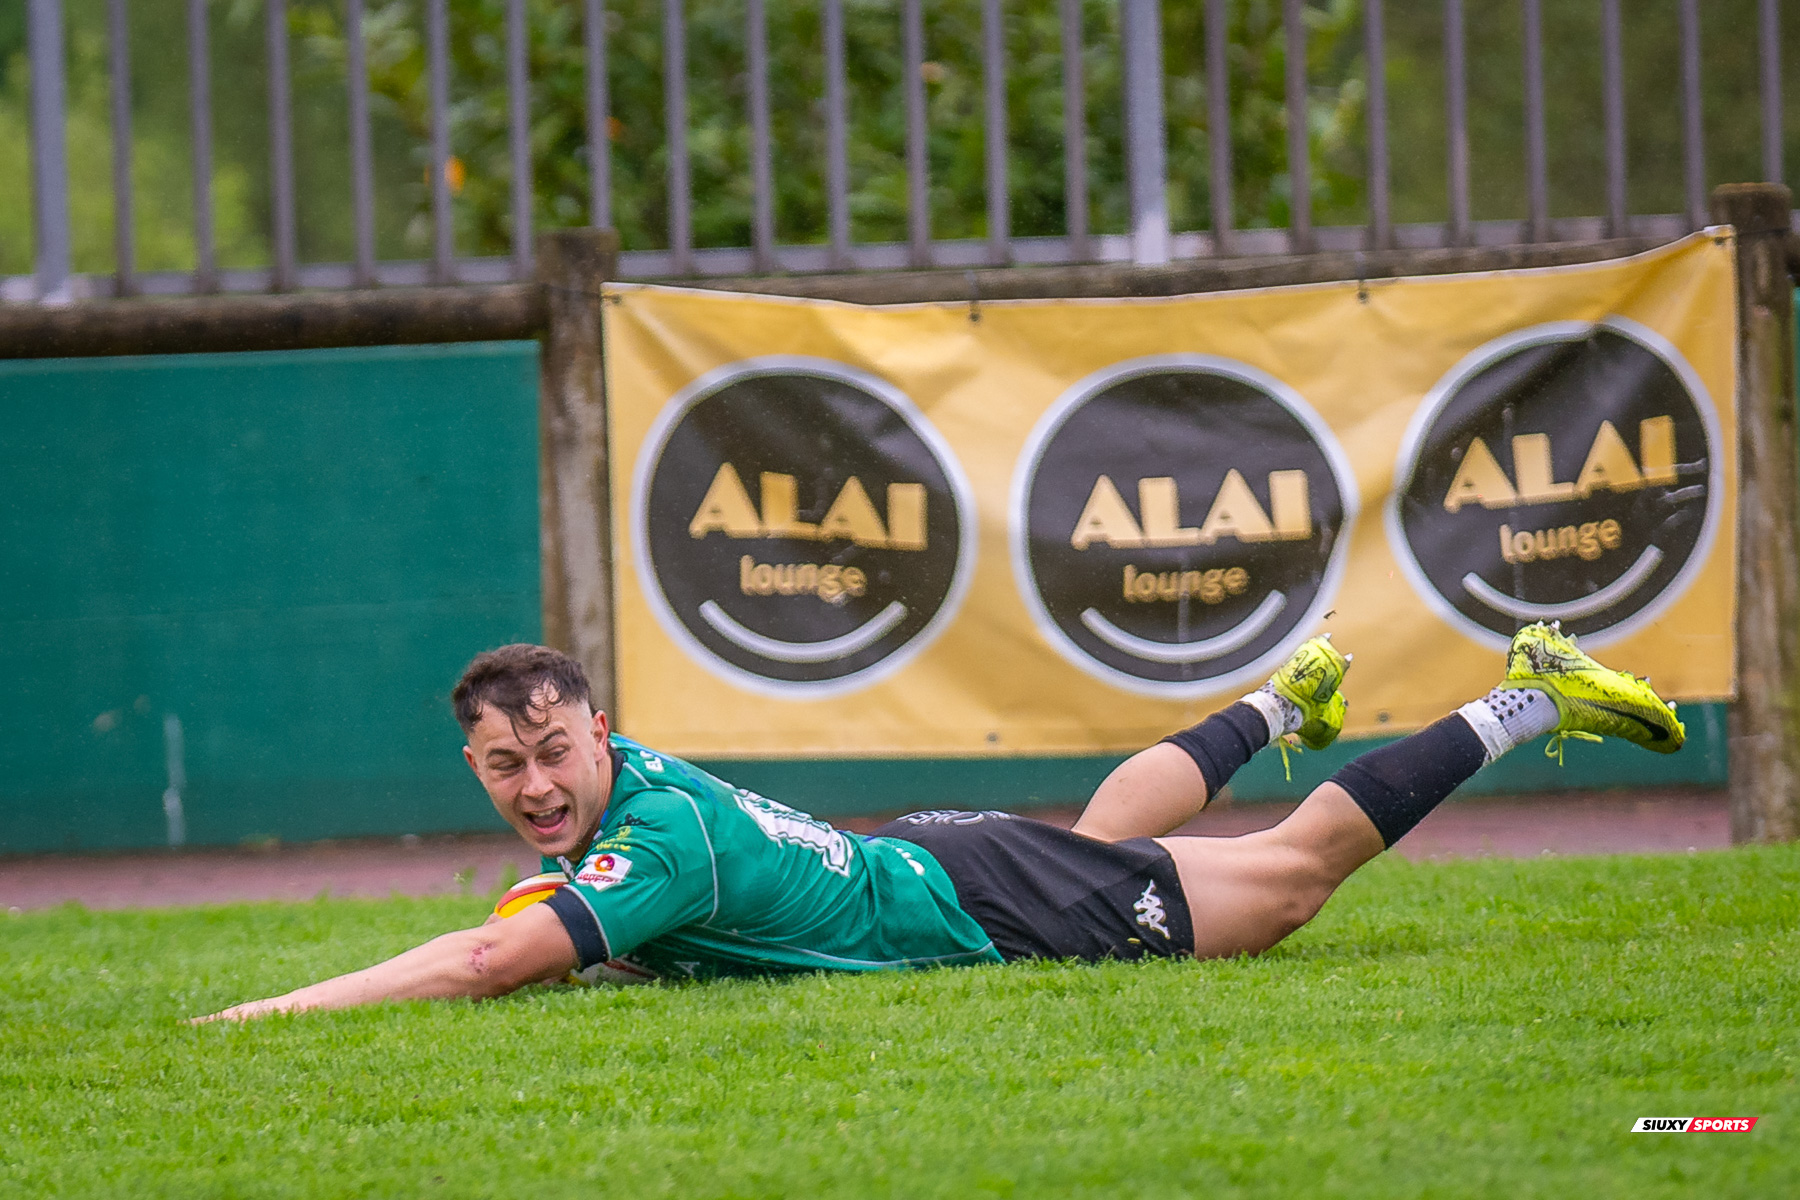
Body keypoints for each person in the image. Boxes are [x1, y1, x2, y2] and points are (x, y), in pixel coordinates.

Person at [195, 622, 1682, 1021]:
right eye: (503, 767)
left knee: (1284, 884)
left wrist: (274, 1010)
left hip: (974, 897)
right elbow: (546, 922)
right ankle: (1278, 710)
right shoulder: (631, 803)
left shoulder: (654, 841)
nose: (533, 785)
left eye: (552, 753)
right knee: (1112, 841)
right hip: (945, 859)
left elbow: (486, 960)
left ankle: (1527, 696)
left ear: (599, 731)